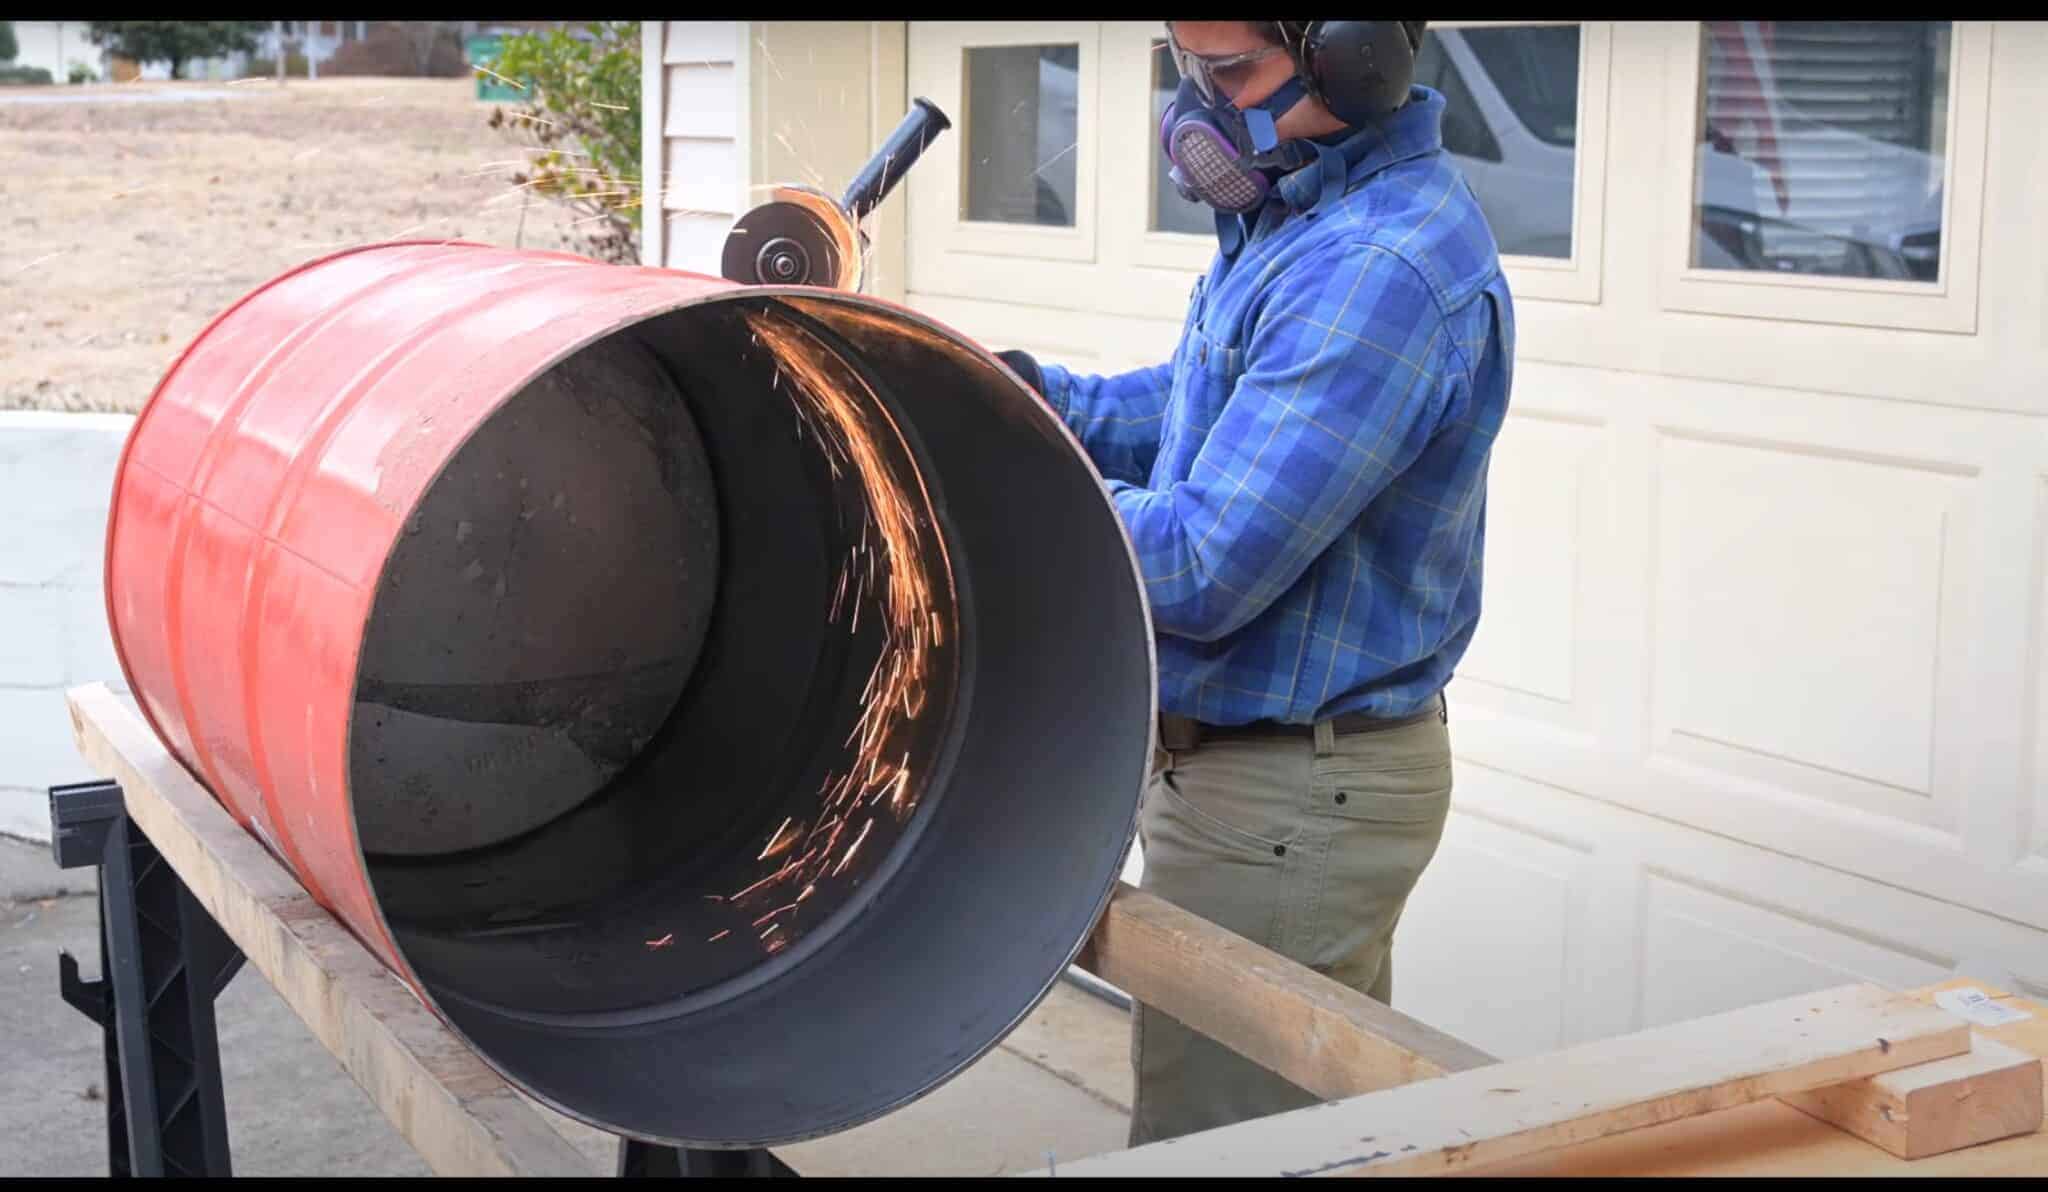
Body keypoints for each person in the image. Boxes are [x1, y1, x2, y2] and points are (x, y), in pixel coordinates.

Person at [995, 19, 1515, 1147]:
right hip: (1256, 780)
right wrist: (1011, 395)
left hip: (1288, 797)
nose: (1196, 104)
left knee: (1218, 1147)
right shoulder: (1301, 209)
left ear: (1355, 58)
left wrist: (996, 480)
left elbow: (1201, 564)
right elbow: (1197, 404)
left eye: (1228, 71)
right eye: (1186, 66)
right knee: (1304, 1135)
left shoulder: (1377, 268)